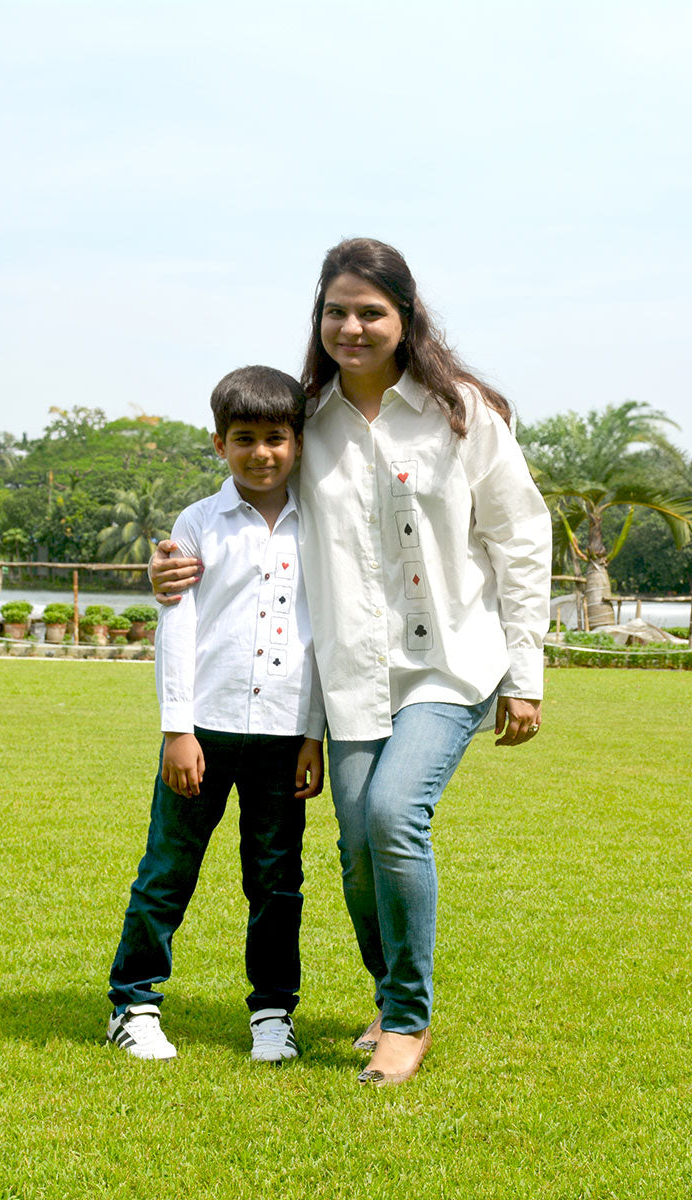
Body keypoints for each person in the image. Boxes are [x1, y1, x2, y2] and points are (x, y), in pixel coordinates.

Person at [151, 238, 551, 1085]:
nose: (352, 327)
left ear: (406, 316)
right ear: (319, 319)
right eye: (337, 311)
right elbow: (250, 508)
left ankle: (407, 1017)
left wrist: (525, 675)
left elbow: (521, 540)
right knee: (358, 848)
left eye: (371, 311)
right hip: (353, 672)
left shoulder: (463, 413)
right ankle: (388, 991)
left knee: (395, 814)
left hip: (452, 660)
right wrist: (174, 563)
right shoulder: (310, 420)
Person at [107, 365, 325, 1063]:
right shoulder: (198, 523)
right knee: (168, 870)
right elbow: (177, 628)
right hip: (203, 730)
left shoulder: (320, 526)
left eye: (276, 438)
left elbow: (323, 636)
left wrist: (313, 734)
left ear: (298, 442)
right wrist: (177, 728)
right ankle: (134, 1004)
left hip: (284, 735)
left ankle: (273, 1013)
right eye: (244, 438)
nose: (262, 453)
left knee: (277, 881)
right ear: (219, 444)